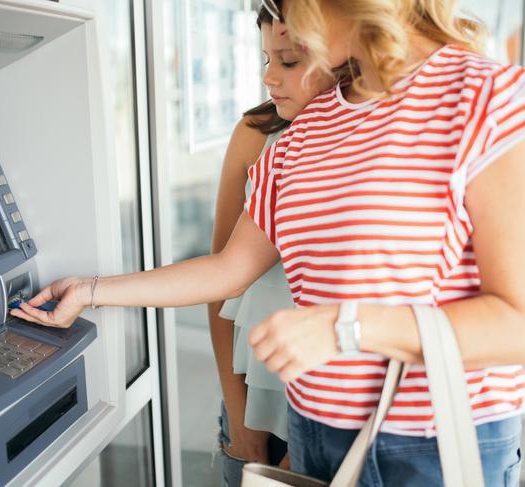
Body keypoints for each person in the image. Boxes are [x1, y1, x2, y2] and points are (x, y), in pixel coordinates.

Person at [12, 0, 525, 484]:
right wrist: (91, 290)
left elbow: (524, 327)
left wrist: (346, 327)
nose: (285, 17)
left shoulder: (485, 97)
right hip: (313, 432)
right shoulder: (309, 128)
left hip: (434, 446)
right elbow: (228, 268)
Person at [209, 3, 336, 485]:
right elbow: (222, 279)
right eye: (265, 58)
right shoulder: (256, 134)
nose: (268, 77)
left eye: (287, 60)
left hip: (339, 414)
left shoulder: (375, 146)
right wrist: (241, 419)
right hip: (253, 401)